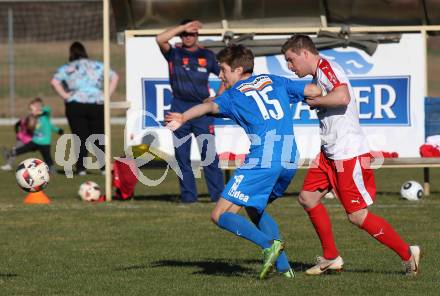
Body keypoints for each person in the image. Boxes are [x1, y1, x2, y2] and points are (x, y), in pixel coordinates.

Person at [165, 44, 321, 279]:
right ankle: (284, 270)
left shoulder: (233, 94)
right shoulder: (274, 80)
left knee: (219, 215)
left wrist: (183, 116)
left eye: (223, 70)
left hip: (263, 159)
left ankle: (269, 245)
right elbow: (313, 91)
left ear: (238, 70)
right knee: (254, 207)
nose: (220, 75)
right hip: (290, 158)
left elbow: (209, 106)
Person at [281, 34, 420, 276]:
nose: (290, 67)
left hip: (348, 154)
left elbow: (343, 97)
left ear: (305, 53)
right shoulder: (317, 75)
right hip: (329, 154)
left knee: (357, 216)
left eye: (291, 60)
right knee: (307, 198)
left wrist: (319, 101)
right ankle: (330, 257)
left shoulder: (326, 68)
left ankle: (409, 255)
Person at [156, 19, 224, 203]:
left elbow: (226, 77)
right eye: (185, 33)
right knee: (181, 157)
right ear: (180, 34)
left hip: (202, 111)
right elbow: (160, 38)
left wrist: (217, 97)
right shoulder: (174, 53)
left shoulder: (208, 55)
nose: (188, 37)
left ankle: (218, 196)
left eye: (191, 33)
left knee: (209, 155)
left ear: (197, 35)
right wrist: (182, 26)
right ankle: (188, 198)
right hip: (178, 108)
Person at [50, 41, 119, 176]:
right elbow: (114, 76)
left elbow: (54, 81)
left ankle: (81, 168)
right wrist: (106, 95)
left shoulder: (67, 68)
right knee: (99, 136)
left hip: (75, 104)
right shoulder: (96, 65)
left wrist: (65, 95)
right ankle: (104, 167)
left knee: (80, 137)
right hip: (97, 103)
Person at [2, 98, 63, 173]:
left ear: (38, 107)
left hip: (45, 142)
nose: (31, 111)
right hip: (35, 140)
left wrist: (58, 130)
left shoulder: (45, 116)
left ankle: (51, 168)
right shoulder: (32, 118)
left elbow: (48, 111)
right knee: (23, 148)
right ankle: (10, 153)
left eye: (32, 109)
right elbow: (24, 125)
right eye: (30, 109)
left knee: (47, 156)